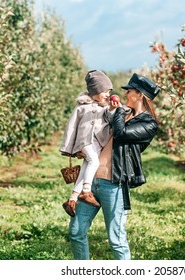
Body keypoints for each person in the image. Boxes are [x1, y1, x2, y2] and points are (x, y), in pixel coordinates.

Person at [68, 73, 160, 260]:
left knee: (116, 239)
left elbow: (121, 133)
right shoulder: (120, 112)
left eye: (129, 91)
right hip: (92, 182)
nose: (125, 94)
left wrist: (117, 112)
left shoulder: (148, 124)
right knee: (76, 232)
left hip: (114, 184)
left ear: (140, 95)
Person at [60, 70, 118, 217]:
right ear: (95, 90)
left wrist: (112, 109)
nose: (107, 94)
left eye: (109, 91)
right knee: (93, 161)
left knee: (86, 167)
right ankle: (86, 191)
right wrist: (68, 148)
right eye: (104, 91)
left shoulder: (104, 107)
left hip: (98, 144)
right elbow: (71, 127)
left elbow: (110, 118)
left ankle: (72, 199)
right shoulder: (81, 107)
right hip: (84, 142)